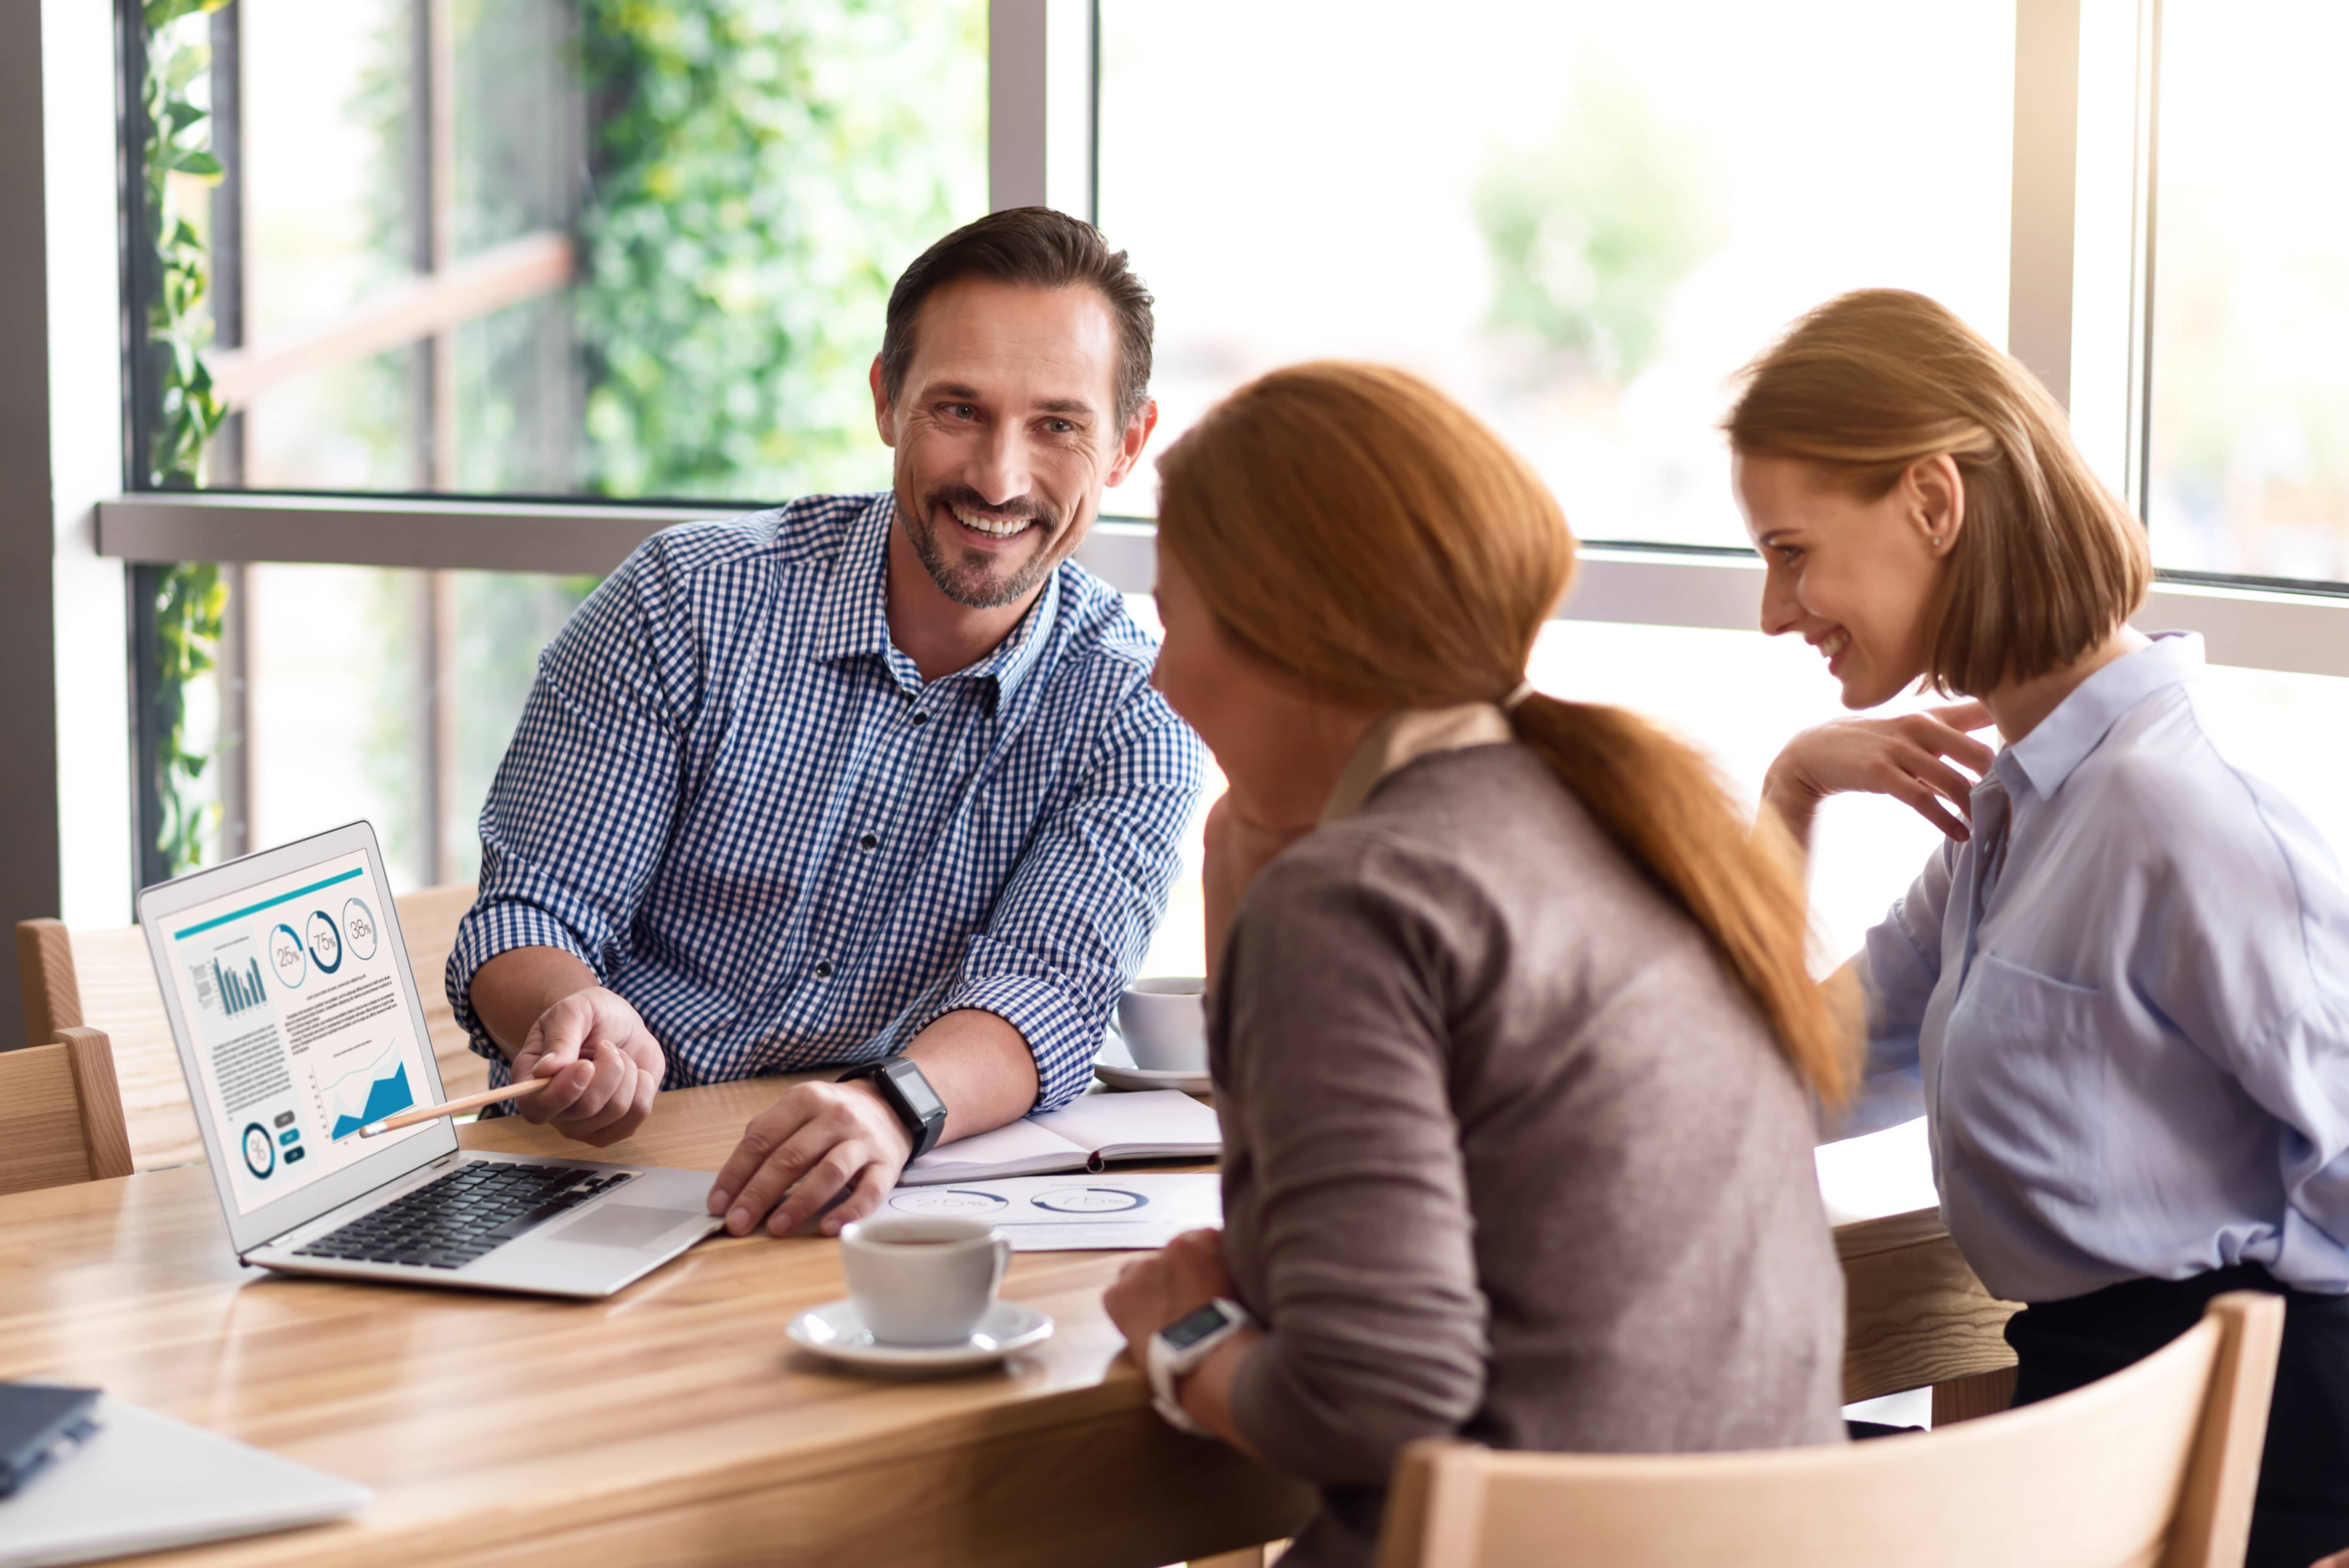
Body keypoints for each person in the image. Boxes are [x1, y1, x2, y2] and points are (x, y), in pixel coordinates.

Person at [1102, 362, 1851, 1568]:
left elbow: (1374, 1403)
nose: (1159, 674)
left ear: (1289, 633)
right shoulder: (1637, 821)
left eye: (1173, 616)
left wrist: (1179, 1337)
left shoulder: (1356, 900)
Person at [447, 208, 1203, 1238]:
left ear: (1127, 445)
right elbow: (532, 913)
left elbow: (1047, 995)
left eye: (1058, 426)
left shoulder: (1138, 707)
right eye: (957, 410)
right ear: (887, 401)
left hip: (858, 1192)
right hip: (595, 1175)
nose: (999, 477)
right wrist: (569, 1015)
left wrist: (891, 1108)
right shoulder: (684, 603)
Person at [1740, 288, 2349, 1568]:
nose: (1772, 610)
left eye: (1790, 551)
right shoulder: (2016, 809)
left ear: (1931, 502)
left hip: (2242, 1450)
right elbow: (1775, 1078)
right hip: (2099, 1417)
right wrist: (1789, 792)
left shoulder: (2183, 816)